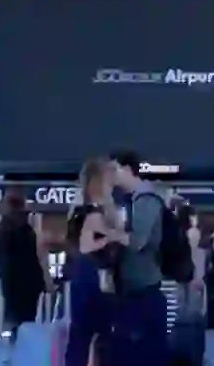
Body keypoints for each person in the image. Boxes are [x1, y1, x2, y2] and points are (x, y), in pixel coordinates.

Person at [108, 150, 169, 366]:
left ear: (126, 169)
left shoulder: (146, 199)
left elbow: (138, 241)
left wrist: (109, 235)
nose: (111, 175)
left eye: (114, 169)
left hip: (144, 291)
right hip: (135, 290)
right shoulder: (131, 200)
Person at [65, 158, 123, 366]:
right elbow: (111, 236)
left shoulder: (76, 207)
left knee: (79, 334)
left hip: (79, 274)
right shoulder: (98, 211)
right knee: (105, 332)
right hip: (97, 276)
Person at [0, 190, 48, 365]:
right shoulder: (28, 227)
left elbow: (0, 257)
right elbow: (38, 253)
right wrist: (46, 280)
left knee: (15, 320)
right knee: (27, 320)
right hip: (29, 281)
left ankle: (13, 354)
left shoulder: (3, 226)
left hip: (10, 282)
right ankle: (21, 355)